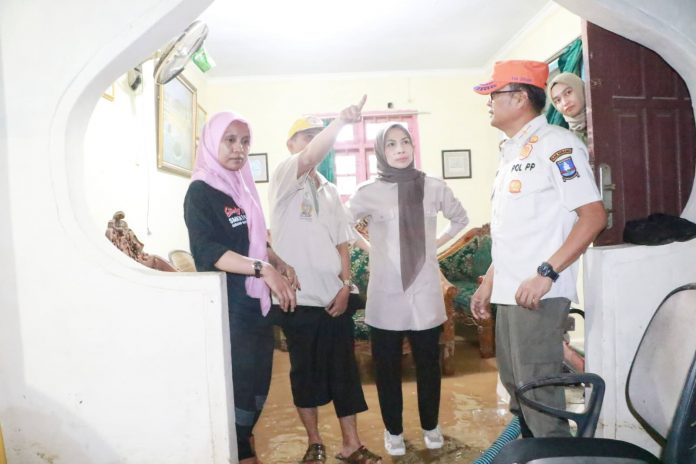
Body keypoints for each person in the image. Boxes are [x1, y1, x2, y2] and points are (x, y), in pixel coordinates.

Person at [470, 60, 607, 438]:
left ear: (518, 98)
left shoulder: (557, 145)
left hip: (538, 295)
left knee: (540, 399)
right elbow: (512, 232)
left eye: (493, 94)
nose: (488, 103)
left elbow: (593, 217)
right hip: (510, 292)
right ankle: (534, 456)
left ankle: (557, 456)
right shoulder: (511, 153)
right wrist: (489, 283)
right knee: (518, 392)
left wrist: (547, 273)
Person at [268, 96, 381, 464]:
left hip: (335, 300)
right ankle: (314, 442)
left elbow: (342, 243)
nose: (315, 142)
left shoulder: (330, 190)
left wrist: (346, 286)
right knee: (306, 376)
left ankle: (351, 444)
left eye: (319, 135)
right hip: (298, 300)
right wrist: (340, 122)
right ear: (291, 144)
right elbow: (309, 157)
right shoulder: (286, 175)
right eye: (307, 136)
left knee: (345, 375)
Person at [346, 123, 469, 456]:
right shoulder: (368, 191)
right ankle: (394, 431)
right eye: (391, 144)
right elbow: (342, 223)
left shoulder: (434, 186)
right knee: (387, 368)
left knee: (428, 364)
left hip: (425, 289)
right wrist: (370, 248)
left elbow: (460, 218)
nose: (400, 149)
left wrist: (434, 246)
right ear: (380, 151)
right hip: (386, 291)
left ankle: (431, 425)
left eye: (405, 142)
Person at [183, 112, 299, 464]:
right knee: (239, 385)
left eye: (245, 142)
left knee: (259, 381)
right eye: (230, 140)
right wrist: (263, 269)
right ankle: (242, 452)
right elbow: (208, 251)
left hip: (255, 304)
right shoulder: (200, 191)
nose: (239, 149)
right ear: (211, 141)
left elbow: (252, 239)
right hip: (228, 307)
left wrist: (277, 260)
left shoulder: (240, 185)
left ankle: (245, 442)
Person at [548, 72, 587, 143]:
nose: (565, 103)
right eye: (558, 100)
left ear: (580, 89)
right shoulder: (569, 140)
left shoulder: (605, 114)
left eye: (568, 93)